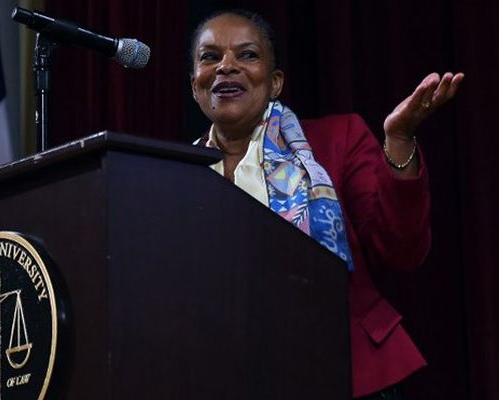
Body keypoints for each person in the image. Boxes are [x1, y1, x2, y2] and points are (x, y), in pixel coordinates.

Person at [189, 9, 464, 400]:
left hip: (345, 370)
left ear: (275, 82)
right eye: (210, 57)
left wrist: (399, 140)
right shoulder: (177, 174)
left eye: (247, 55)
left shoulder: (337, 140)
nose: (226, 67)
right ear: (194, 83)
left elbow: (401, 250)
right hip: (226, 375)